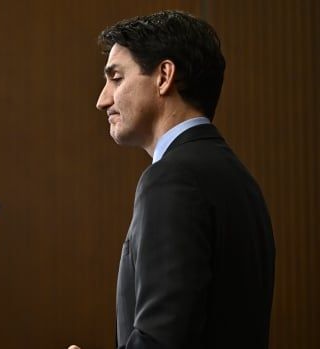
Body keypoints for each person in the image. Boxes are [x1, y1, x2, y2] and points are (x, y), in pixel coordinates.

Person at [70, 10, 275, 349]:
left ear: (164, 76)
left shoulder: (172, 179)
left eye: (116, 78)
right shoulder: (240, 180)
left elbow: (163, 340)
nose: (102, 99)